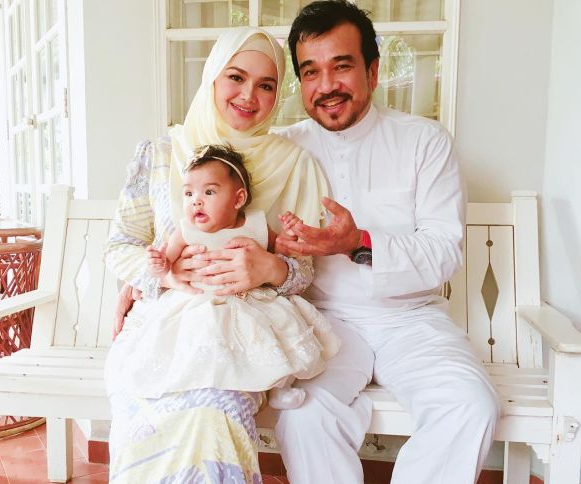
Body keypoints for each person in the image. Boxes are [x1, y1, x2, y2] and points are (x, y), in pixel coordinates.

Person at [268, 2, 501, 484]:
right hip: (322, 321)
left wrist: (357, 243)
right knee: (304, 414)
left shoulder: (425, 142)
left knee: (470, 406)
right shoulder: (282, 151)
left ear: (372, 71)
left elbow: (444, 251)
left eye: (342, 66)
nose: (326, 85)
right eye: (311, 72)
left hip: (411, 318)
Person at [103, 26, 329, 483]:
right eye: (236, 77)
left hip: (238, 331)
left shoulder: (293, 163)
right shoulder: (161, 154)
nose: (249, 95)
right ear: (212, 77)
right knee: (146, 412)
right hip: (163, 328)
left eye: (266, 85)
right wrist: (163, 276)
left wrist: (270, 268)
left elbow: (304, 269)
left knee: (212, 419)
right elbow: (121, 244)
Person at [123, 143, 339, 408]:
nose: (196, 201)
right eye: (188, 193)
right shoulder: (185, 231)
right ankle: (187, 385)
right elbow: (166, 265)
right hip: (199, 301)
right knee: (199, 335)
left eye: (209, 192)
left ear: (238, 199)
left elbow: (279, 251)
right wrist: (158, 264)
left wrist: (288, 237)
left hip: (251, 300)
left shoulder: (255, 223)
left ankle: (277, 387)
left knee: (267, 338)